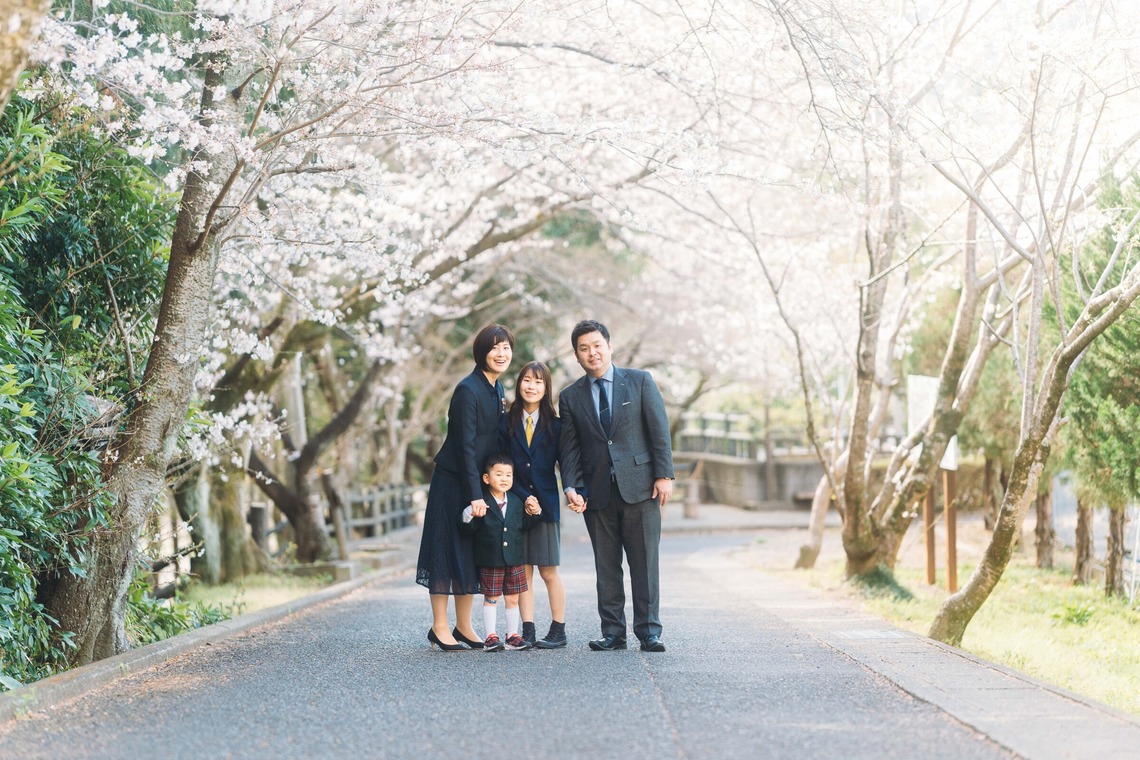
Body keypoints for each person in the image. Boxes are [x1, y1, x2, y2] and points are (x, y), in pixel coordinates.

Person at [558, 320, 674, 652]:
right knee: (606, 565)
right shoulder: (570, 397)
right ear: (577, 356)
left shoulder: (639, 382)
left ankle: (649, 631)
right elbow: (570, 450)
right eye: (584, 348)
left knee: (645, 562)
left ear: (610, 346)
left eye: (597, 345)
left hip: (641, 487)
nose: (592, 353)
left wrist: (664, 474)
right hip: (597, 494)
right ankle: (613, 632)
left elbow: (659, 429)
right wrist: (571, 487)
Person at [416, 323, 514, 651]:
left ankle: (463, 625)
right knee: (444, 550)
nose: (501, 354)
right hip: (454, 482)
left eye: (506, 348)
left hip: (479, 483)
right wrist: (475, 494)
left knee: (470, 553)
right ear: (481, 352)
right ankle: (439, 627)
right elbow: (465, 447)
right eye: (494, 348)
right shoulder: (467, 390)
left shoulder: (496, 388)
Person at [501, 361, 568, 648]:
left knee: (548, 570)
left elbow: (567, 465)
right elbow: (501, 465)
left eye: (538, 382)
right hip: (515, 507)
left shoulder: (556, 425)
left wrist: (575, 492)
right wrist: (521, 494)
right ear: (519, 385)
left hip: (547, 507)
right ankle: (526, 629)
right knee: (522, 570)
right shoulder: (505, 422)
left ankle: (558, 629)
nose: (532, 386)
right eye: (527, 380)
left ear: (546, 388)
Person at [458, 453, 542, 651]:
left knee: (513, 598)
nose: (504, 479)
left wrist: (535, 512)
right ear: (486, 478)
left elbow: (522, 526)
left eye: (508, 475)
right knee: (491, 598)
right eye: (499, 474)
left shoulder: (515, 501)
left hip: (514, 559)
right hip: (491, 559)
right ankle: (490, 637)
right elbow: (468, 529)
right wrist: (469, 513)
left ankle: (512, 636)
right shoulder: (481, 502)